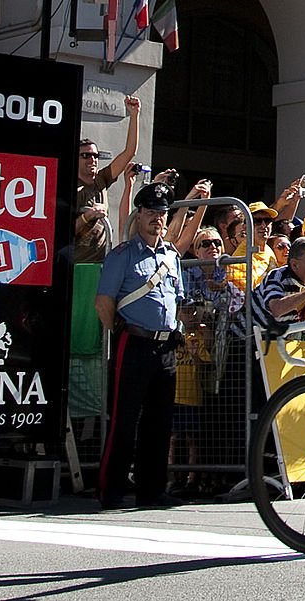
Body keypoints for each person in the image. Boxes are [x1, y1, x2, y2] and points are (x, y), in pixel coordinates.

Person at [95, 182, 184, 509]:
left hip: (165, 348)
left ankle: (152, 490)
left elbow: (177, 297)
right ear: (139, 215)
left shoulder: (172, 257)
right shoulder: (123, 255)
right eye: (150, 212)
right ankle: (111, 490)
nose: (156, 219)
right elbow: (104, 301)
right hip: (133, 342)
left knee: (159, 423)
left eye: (161, 213)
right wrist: (119, 331)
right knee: (124, 420)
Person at [75, 96, 141, 262]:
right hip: (77, 264)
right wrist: (86, 216)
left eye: (95, 155)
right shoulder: (70, 187)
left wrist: (134, 115)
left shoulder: (101, 179)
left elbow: (129, 153)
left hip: (102, 262)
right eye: (86, 155)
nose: (92, 159)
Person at [252, 237, 305, 328]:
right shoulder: (277, 276)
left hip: (283, 337)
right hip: (251, 338)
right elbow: (276, 309)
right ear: (294, 265)